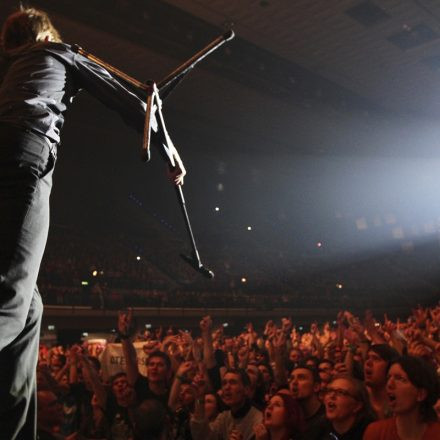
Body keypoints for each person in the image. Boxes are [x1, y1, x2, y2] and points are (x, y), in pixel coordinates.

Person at [0, 7, 186, 440]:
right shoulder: (60, 51)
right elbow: (133, 107)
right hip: (26, 155)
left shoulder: (13, 72)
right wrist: (171, 153)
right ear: (45, 32)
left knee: (30, 309)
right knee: (11, 297)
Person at [364, 355, 440, 439]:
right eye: (388, 377)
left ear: (421, 394)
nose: (389, 384)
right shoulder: (376, 432)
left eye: (399, 378)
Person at [190, 368, 263, 440]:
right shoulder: (224, 418)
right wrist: (199, 397)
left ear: (246, 390)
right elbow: (202, 436)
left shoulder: (258, 420)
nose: (227, 387)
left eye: (233, 382)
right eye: (224, 383)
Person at [318, 375, 375, 439]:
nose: (332, 395)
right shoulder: (318, 429)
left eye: (341, 392)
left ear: (357, 406)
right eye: (329, 391)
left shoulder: (370, 432)